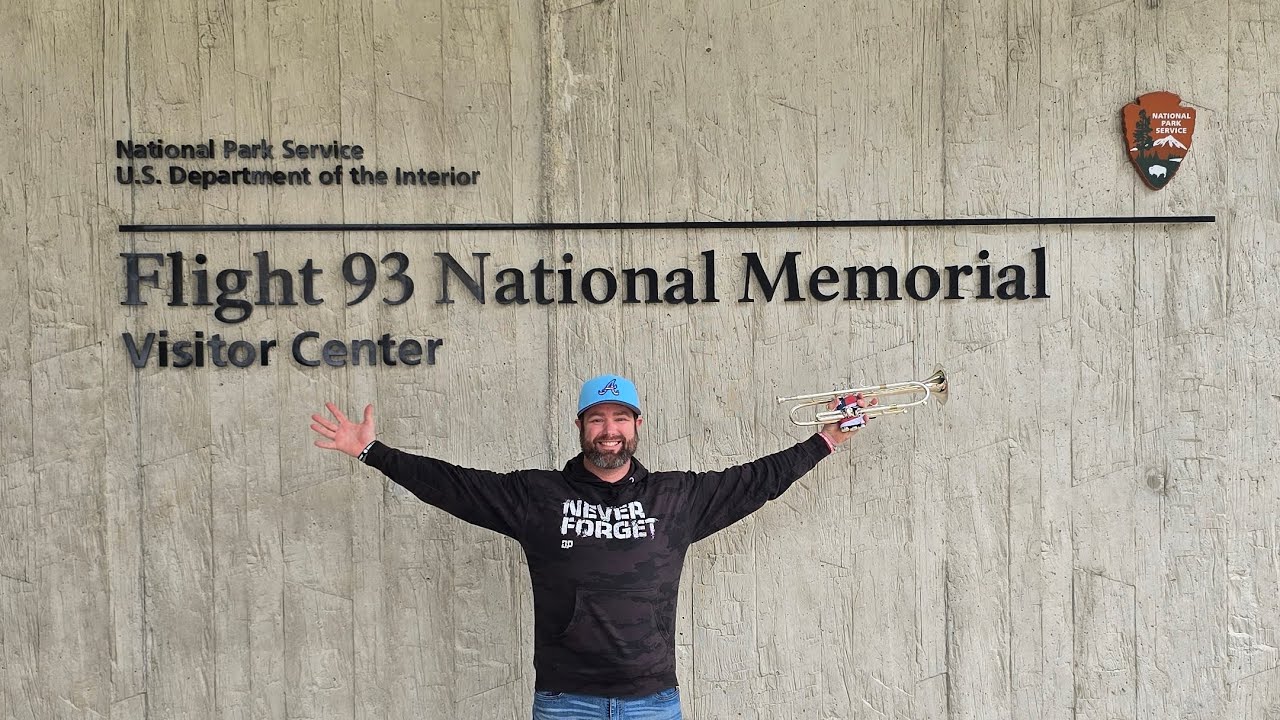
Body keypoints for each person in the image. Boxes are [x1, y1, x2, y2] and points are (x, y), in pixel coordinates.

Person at [309, 374, 873, 720]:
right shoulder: (537, 496)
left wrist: (824, 440)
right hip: (565, 702)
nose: (610, 430)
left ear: (637, 425)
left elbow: (758, 480)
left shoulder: (678, 497)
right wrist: (373, 452)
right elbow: (454, 484)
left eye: (620, 418)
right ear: (581, 427)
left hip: (653, 702)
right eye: (598, 418)